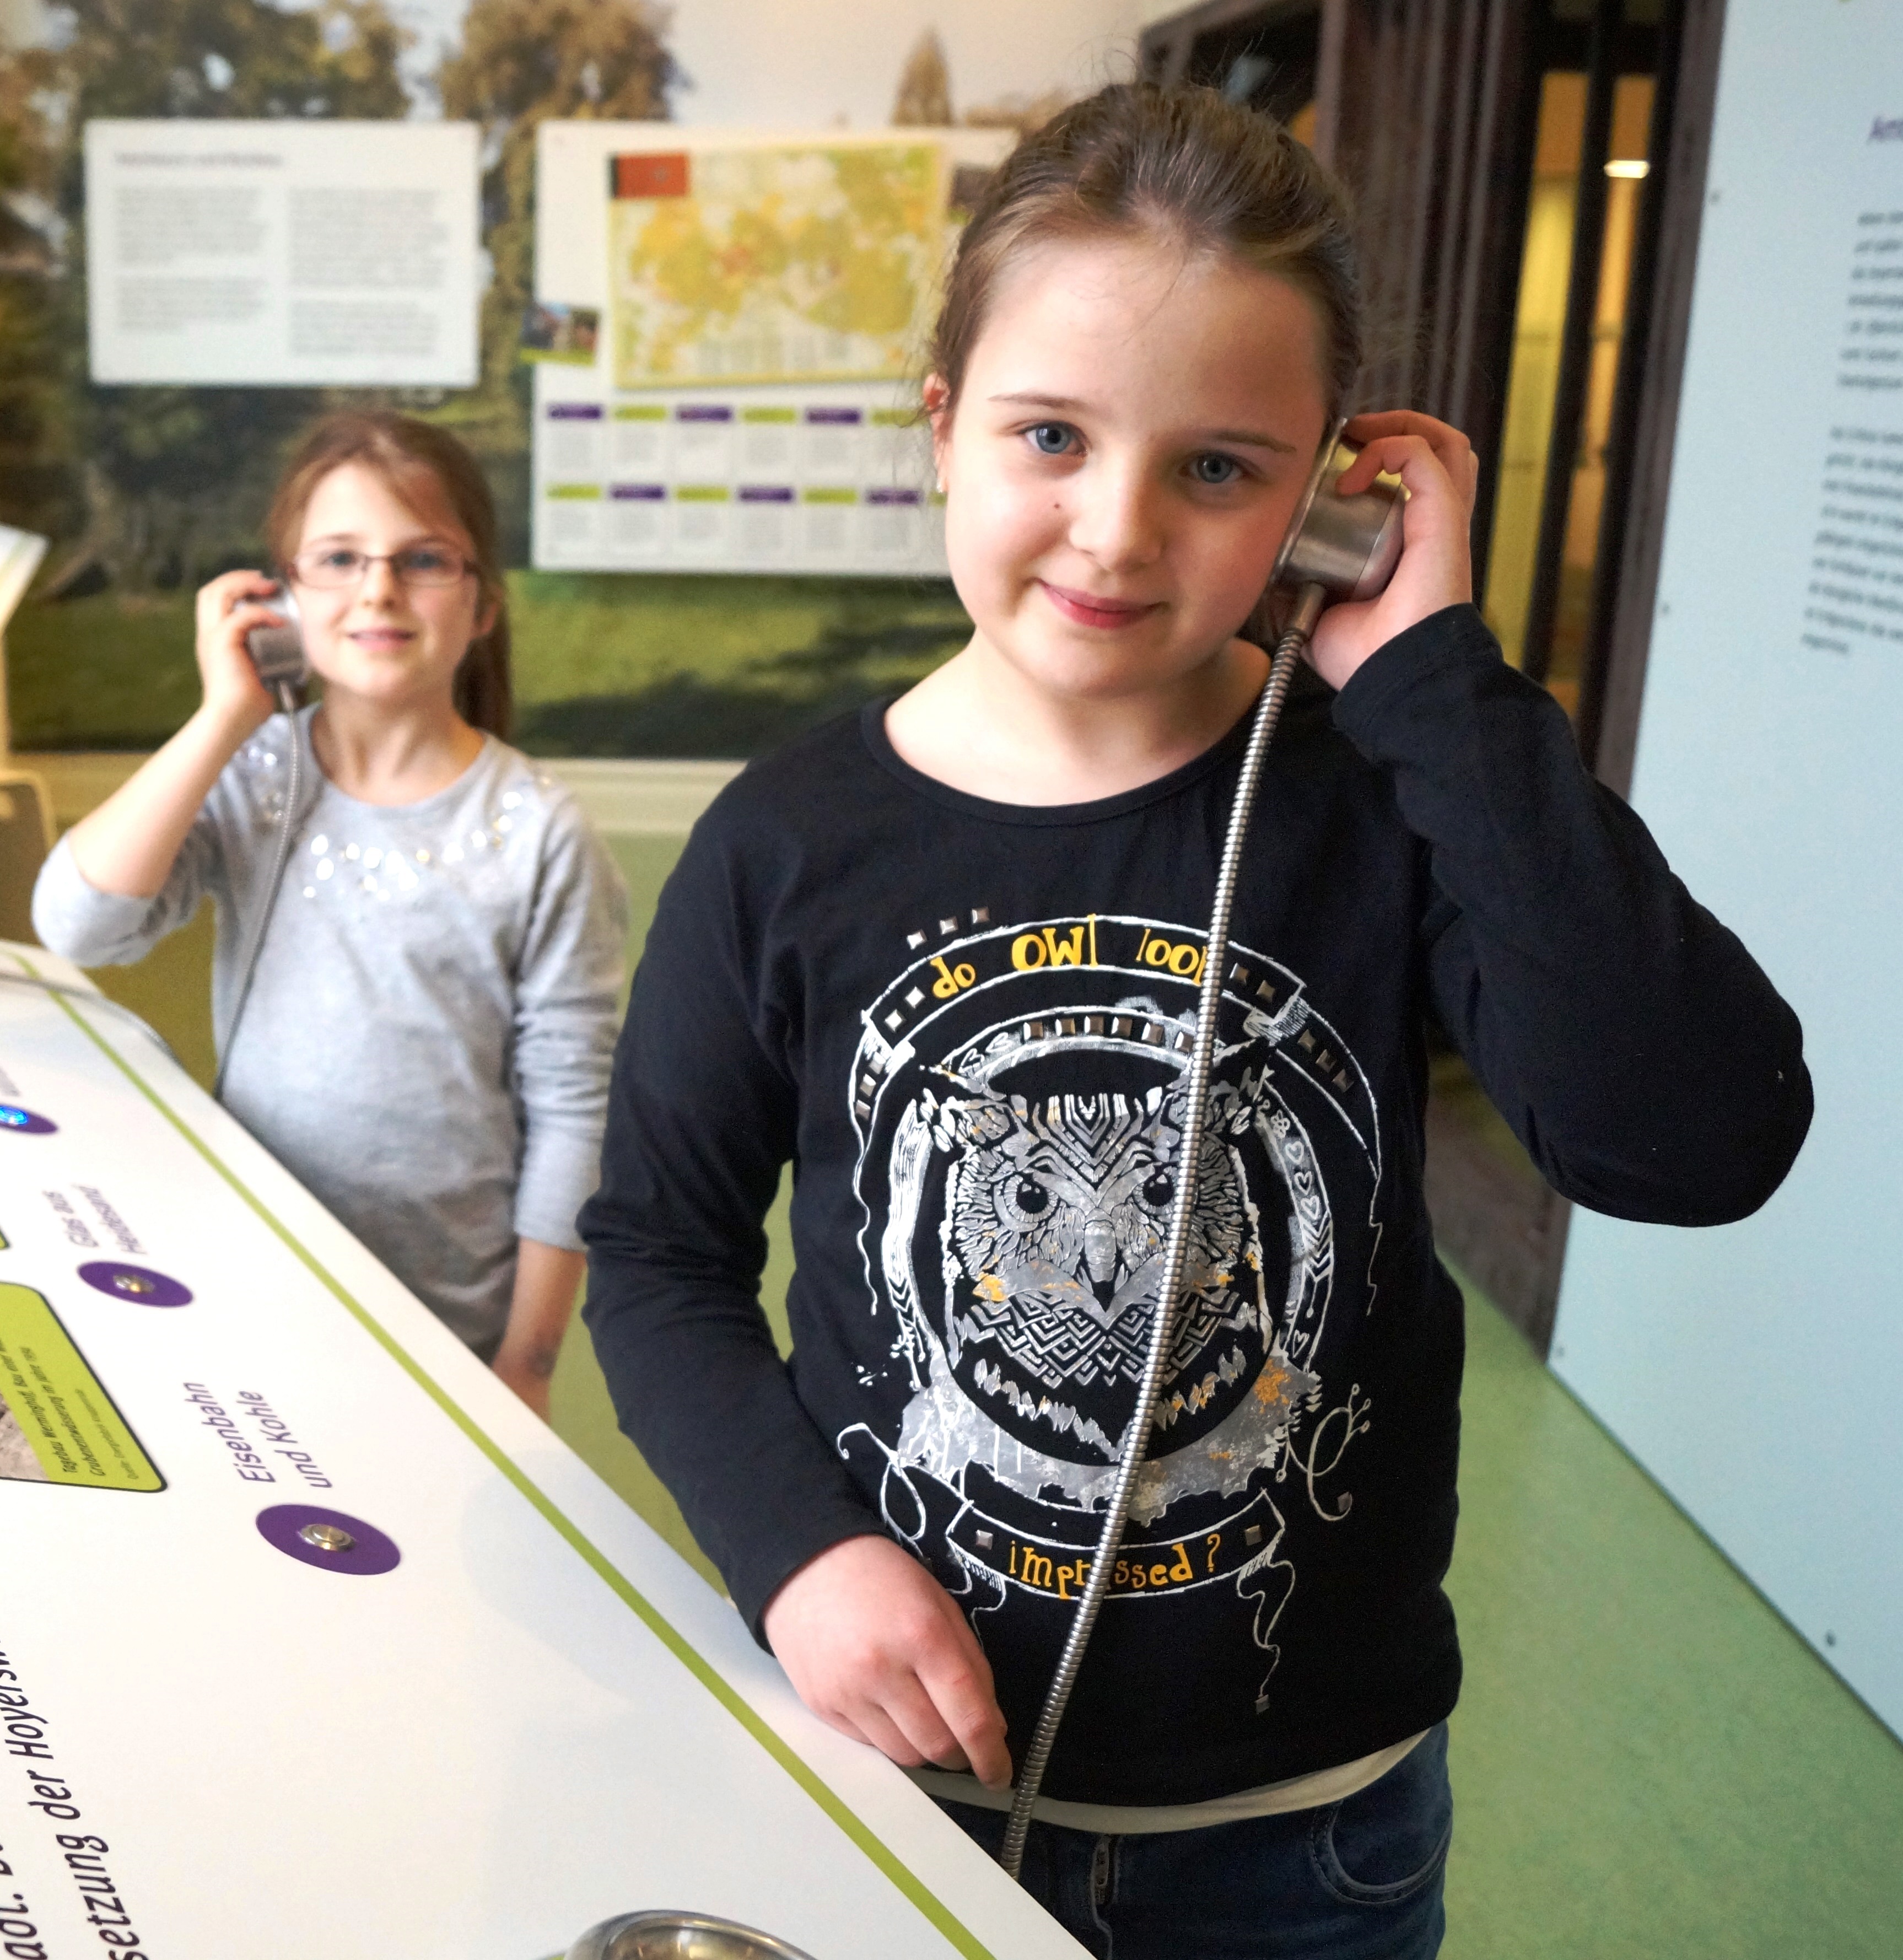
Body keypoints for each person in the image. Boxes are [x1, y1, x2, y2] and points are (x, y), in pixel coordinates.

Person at [579, 83, 1807, 1958]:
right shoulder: (786, 839)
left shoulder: (1387, 794)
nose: (1115, 530)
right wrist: (795, 1550)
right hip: (896, 1787)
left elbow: (1691, 1140)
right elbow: (657, 1253)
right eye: (1049, 436)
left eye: (1220, 469)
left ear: (1331, 496)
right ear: (942, 425)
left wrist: (1433, 682)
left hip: (1296, 1843)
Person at [31, 411, 627, 1417]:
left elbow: (574, 1109)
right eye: (340, 559)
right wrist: (224, 715)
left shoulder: (539, 833)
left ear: (483, 604)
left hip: (445, 1319)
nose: (378, 590)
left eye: (422, 560)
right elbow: (79, 926)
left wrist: (527, 1364)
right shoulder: (253, 776)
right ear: (282, 596)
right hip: (250, 1279)